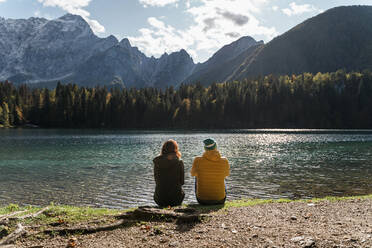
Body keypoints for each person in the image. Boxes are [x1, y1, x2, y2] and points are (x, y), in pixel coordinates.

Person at [191, 138, 230, 205]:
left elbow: (192, 174)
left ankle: (205, 194)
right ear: (215, 147)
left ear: (205, 148)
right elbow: (226, 174)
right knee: (222, 177)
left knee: (196, 176)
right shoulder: (224, 161)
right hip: (220, 200)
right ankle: (217, 194)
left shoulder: (197, 160)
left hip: (202, 200)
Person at [153, 139, 185, 207]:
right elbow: (182, 182)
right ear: (176, 149)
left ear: (163, 149)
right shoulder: (179, 162)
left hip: (160, 199)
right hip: (176, 200)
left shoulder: (157, 162)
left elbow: (156, 180)